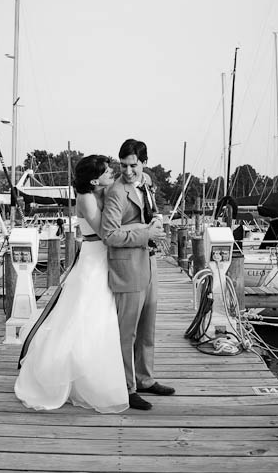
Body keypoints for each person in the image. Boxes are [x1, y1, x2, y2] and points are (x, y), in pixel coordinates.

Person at [15, 154, 134, 413]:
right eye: (107, 171)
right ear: (94, 179)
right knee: (86, 316)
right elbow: (105, 232)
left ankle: (91, 371)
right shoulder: (86, 199)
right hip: (93, 261)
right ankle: (72, 375)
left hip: (102, 258)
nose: (112, 173)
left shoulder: (100, 192)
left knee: (99, 319)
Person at [101, 138, 174, 411]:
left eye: (133, 165)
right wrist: (147, 233)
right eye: (123, 165)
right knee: (127, 333)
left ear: (144, 163)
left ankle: (145, 379)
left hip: (150, 262)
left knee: (147, 329)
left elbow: (150, 211)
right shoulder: (117, 192)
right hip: (128, 267)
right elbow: (109, 234)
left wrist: (157, 221)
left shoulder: (147, 181)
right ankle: (126, 387)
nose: (128, 171)